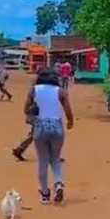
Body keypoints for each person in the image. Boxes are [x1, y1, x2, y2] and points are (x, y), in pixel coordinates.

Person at [25, 69, 74, 204]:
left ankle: (45, 194)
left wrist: (32, 113)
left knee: (43, 160)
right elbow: (68, 110)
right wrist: (70, 121)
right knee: (56, 158)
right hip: (56, 127)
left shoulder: (34, 90)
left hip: (40, 127)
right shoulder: (60, 91)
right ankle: (58, 183)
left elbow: (25, 109)